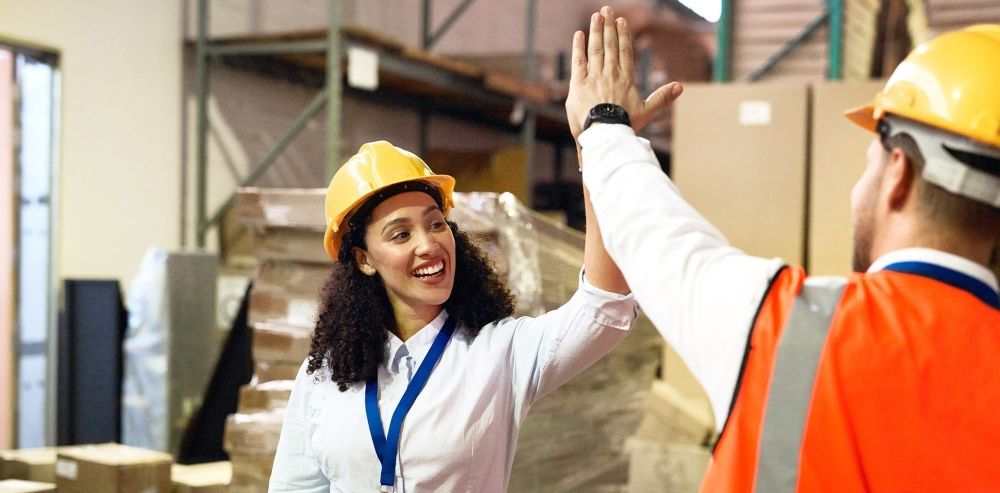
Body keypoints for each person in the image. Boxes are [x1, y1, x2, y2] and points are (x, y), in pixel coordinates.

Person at [567, 6, 999, 492]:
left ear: (898, 173)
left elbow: (657, 236)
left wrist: (603, 122)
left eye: (868, 163)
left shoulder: (794, 331)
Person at [268, 140, 637, 492]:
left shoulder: (499, 353)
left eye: (435, 224)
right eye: (400, 234)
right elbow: (294, 486)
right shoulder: (325, 374)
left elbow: (602, 308)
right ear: (364, 259)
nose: (428, 245)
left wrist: (601, 146)